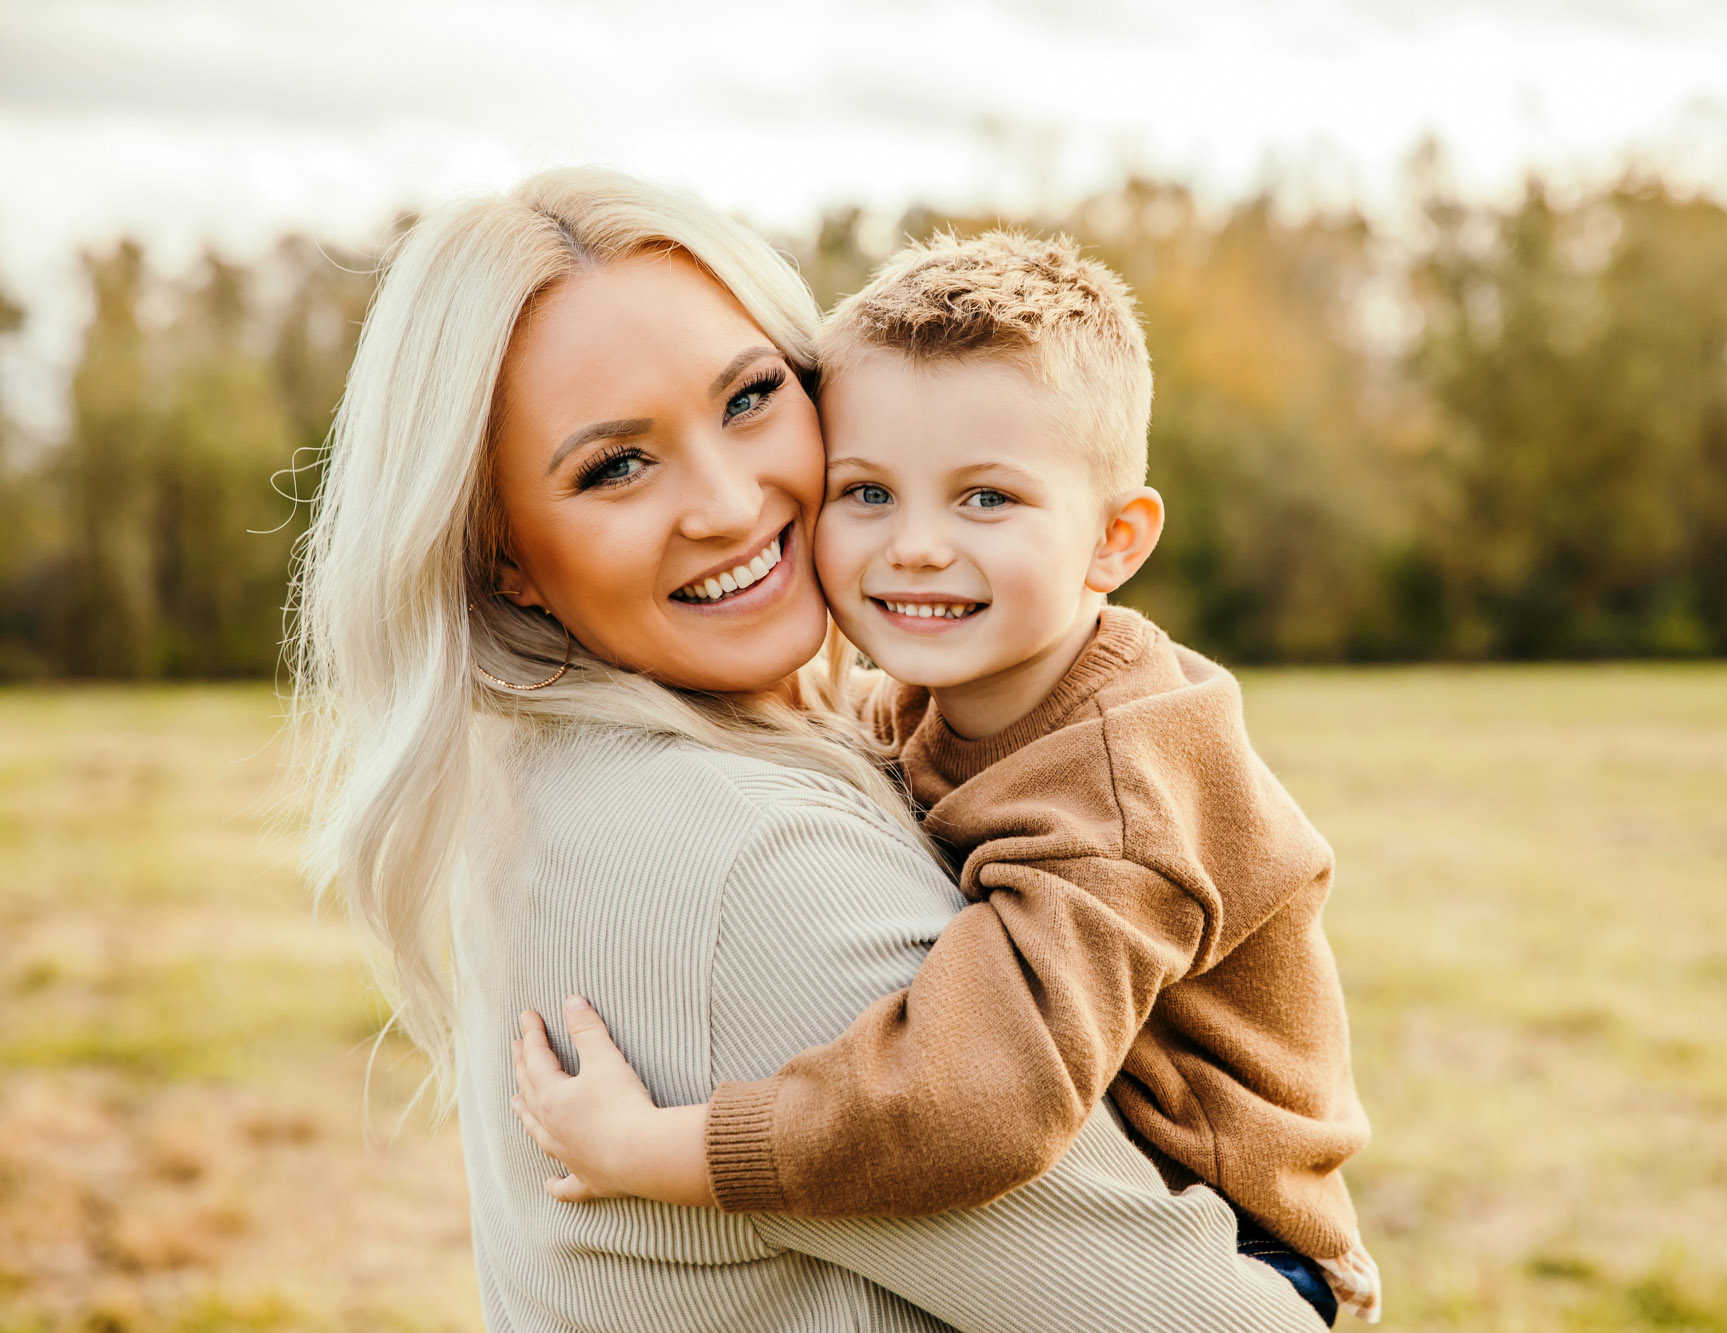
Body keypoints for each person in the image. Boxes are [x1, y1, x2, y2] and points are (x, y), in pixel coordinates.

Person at [292, 167, 1330, 1333]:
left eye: (747, 399)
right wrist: (679, 1151)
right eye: (615, 466)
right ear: (503, 558)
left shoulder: (545, 771)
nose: (731, 506)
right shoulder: (747, 864)